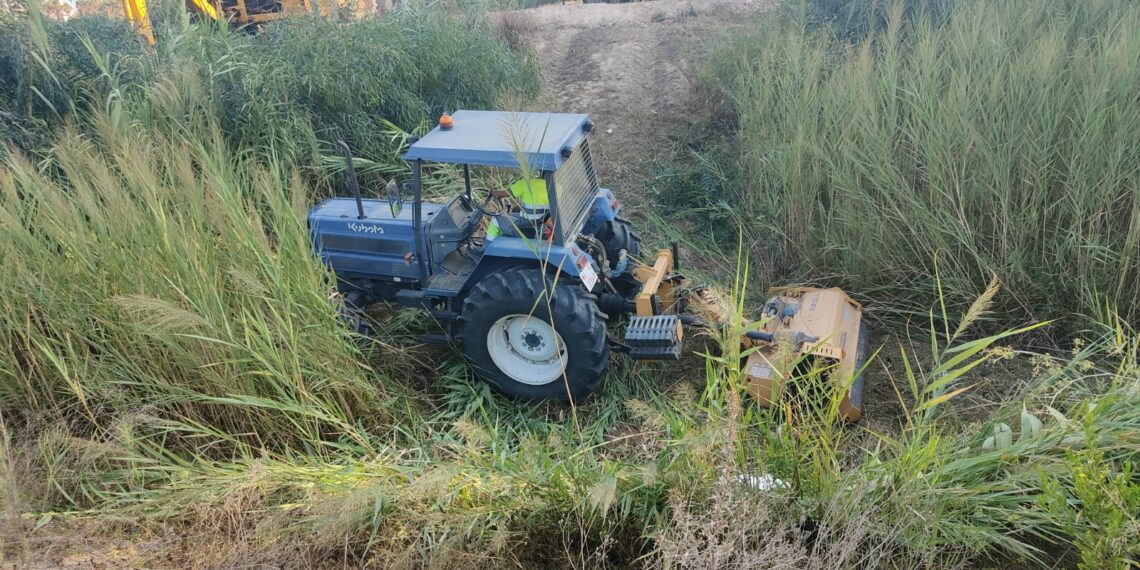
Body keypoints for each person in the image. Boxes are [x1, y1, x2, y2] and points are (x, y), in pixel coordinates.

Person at [485, 177, 551, 241]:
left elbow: (499, 194)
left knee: (496, 219)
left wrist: (492, 191)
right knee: (508, 214)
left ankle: (488, 244)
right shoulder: (552, 186)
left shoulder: (526, 183)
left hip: (523, 226)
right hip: (540, 225)